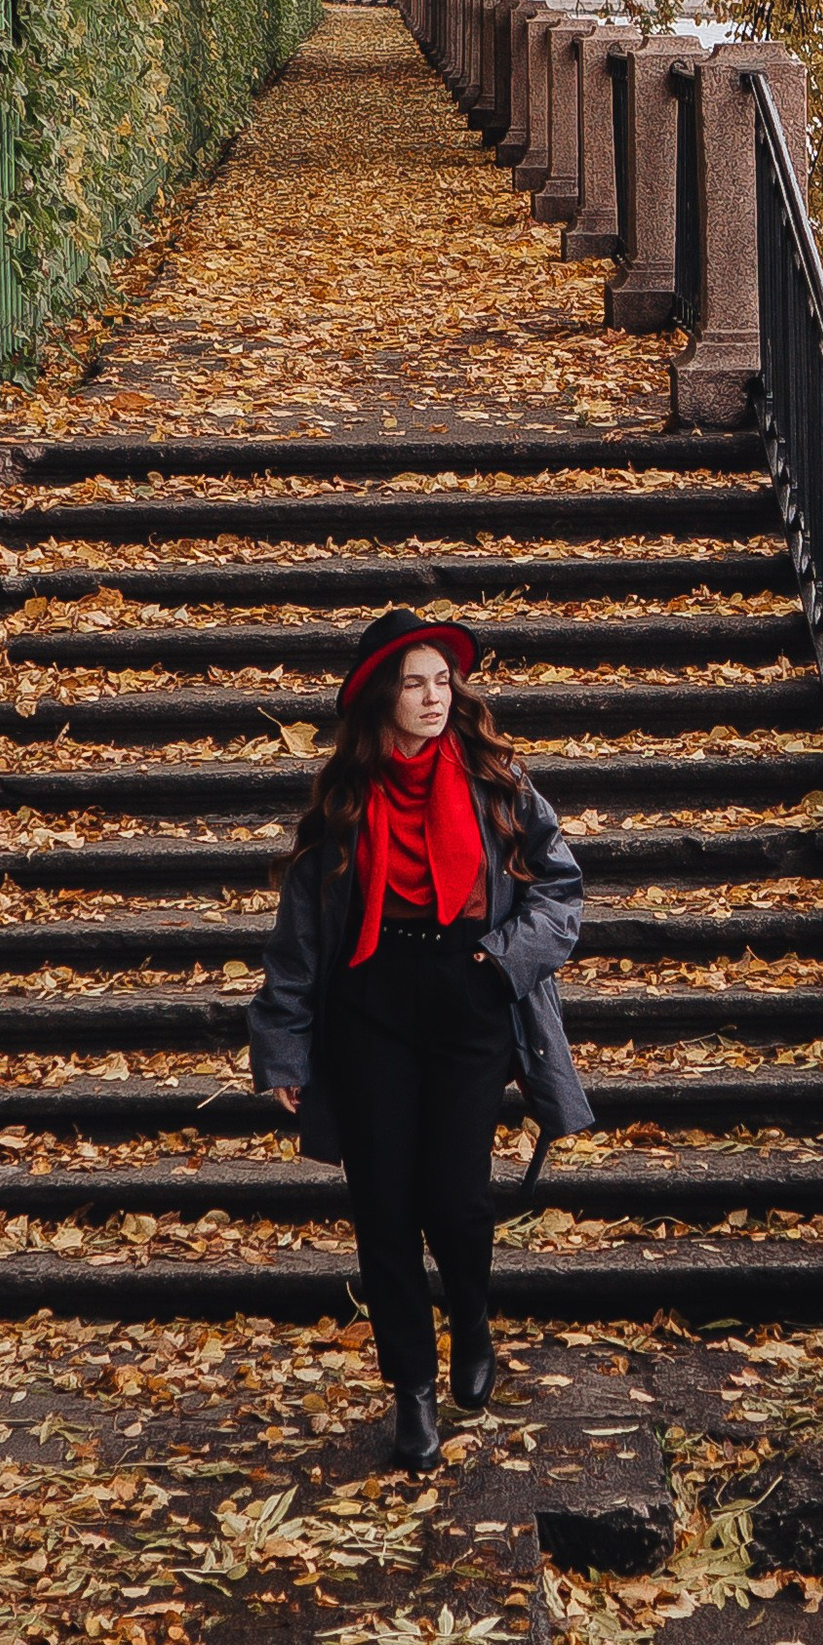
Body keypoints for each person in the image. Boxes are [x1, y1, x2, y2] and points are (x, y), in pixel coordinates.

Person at [247, 608, 591, 1469]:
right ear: (381, 698)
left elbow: (562, 892)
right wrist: (285, 1047)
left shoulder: (498, 782)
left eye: (444, 681)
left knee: (457, 1198)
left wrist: (498, 961)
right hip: (370, 1007)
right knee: (383, 1208)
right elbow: (301, 939)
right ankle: (413, 1388)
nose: (435, 697)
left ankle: (470, 1319)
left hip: (468, 993)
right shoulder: (346, 800)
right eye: (415, 683)